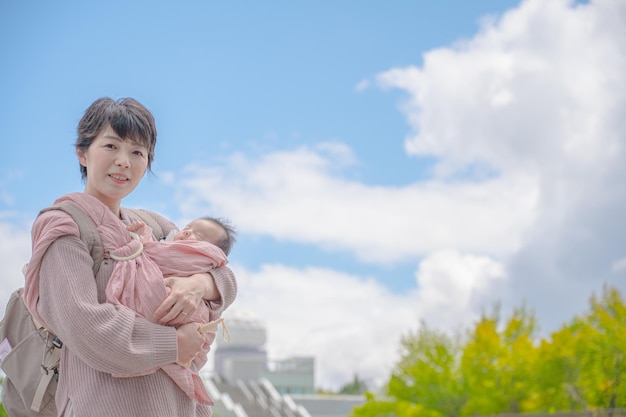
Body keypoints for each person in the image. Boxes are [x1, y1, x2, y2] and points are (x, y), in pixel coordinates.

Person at [22, 97, 237, 417]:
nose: (124, 160)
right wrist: (175, 344)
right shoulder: (65, 228)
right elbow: (86, 328)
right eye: (111, 146)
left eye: (137, 152)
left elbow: (221, 270)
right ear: (82, 153)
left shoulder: (154, 225)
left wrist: (198, 285)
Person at [105, 216, 237, 404]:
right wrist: (144, 237)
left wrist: (143, 242)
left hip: (186, 316)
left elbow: (226, 279)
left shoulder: (198, 255)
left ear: (211, 250)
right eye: (187, 228)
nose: (185, 232)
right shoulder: (168, 239)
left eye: (197, 235)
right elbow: (154, 256)